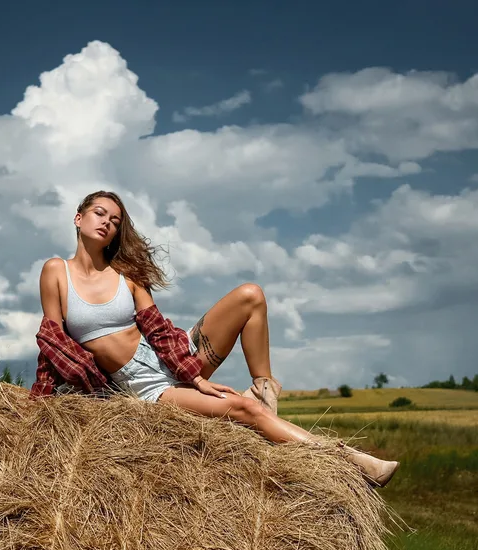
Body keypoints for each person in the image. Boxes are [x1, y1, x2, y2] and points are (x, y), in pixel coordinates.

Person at [30, 190, 398, 487]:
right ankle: (351, 461)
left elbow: (157, 331)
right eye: (99, 214)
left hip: (176, 360)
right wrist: (40, 409)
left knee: (251, 295)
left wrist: (198, 378)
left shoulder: (126, 275)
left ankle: (264, 388)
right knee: (243, 412)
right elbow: (54, 344)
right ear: (78, 218)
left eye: (114, 221)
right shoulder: (56, 272)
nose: (106, 223)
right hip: (146, 386)